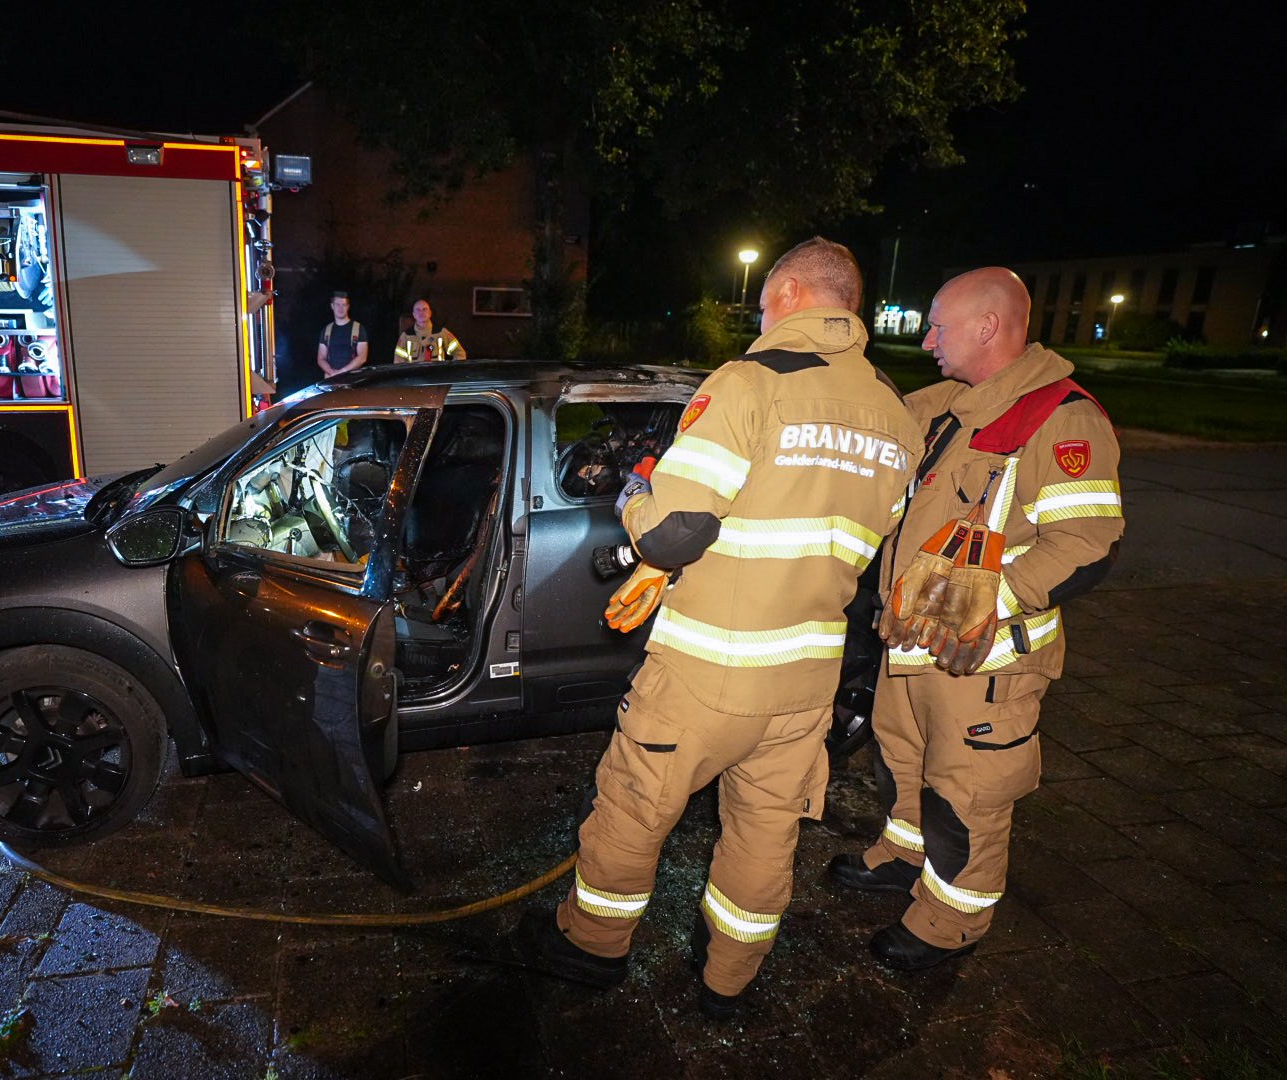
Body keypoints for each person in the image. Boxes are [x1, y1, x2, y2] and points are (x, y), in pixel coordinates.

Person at [488, 238, 919, 1018]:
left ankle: (591, 945)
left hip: (708, 668)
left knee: (634, 806)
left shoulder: (752, 383)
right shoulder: (895, 413)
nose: (759, 312)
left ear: (788, 291)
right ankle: (728, 979)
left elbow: (674, 532)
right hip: (807, 675)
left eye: (763, 299)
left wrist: (634, 496)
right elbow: (862, 533)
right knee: (764, 831)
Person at [828, 268, 1124, 971]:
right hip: (915, 640)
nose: (927, 339)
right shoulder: (954, 403)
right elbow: (873, 419)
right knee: (902, 757)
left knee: (968, 794)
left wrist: (990, 602)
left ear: (989, 327)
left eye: (938, 325)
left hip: (983, 659)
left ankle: (951, 920)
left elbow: (1087, 544)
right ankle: (904, 855)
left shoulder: (1060, 416)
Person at [394, 299, 466, 363]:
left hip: (437, 376)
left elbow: (460, 354)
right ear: (414, 315)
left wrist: (450, 372)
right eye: (418, 310)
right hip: (415, 377)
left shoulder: (441, 332)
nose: (421, 312)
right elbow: (398, 362)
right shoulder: (406, 336)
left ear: (430, 313)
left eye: (424, 309)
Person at [317, 291, 368, 378]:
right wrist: (332, 373)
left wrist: (341, 373)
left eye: (343, 305)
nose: (340, 308)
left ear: (348, 307)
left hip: (352, 380)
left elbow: (362, 357)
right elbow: (321, 358)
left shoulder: (358, 329)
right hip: (331, 379)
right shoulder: (326, 330)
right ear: (332, 306)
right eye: (337, 304)